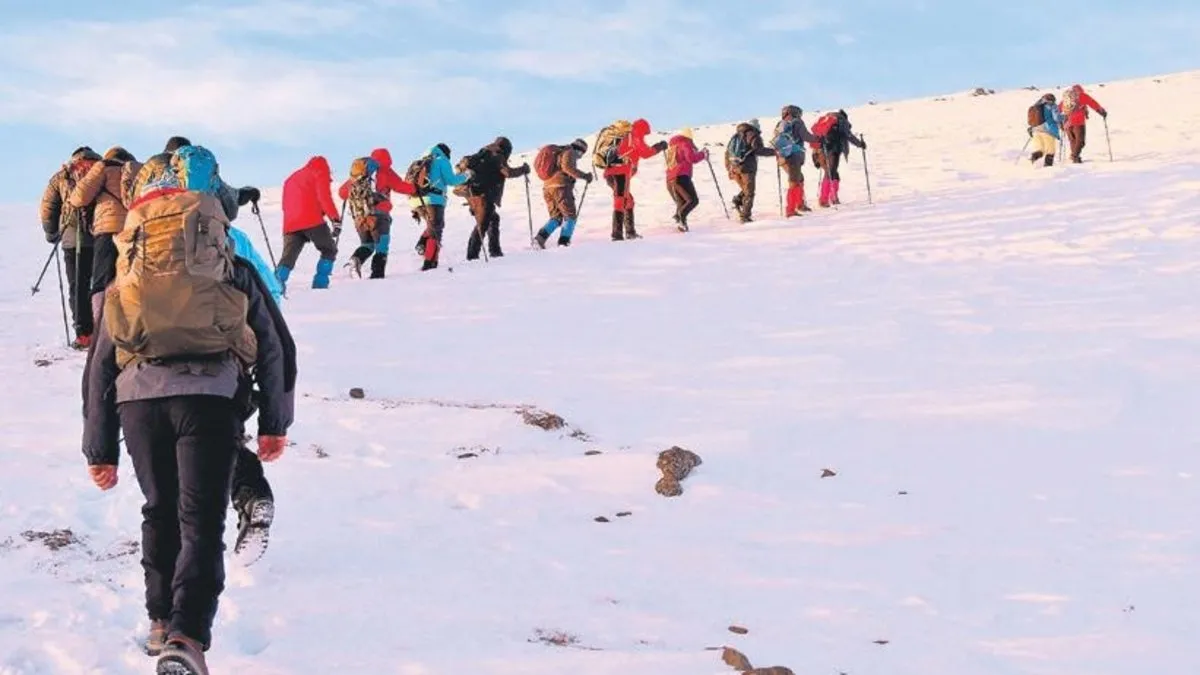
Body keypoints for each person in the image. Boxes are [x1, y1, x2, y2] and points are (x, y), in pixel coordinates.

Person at [82, 145, 296, 674]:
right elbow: (274, 345)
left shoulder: (127, 273)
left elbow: (100, 363)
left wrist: (99, 447)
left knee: (159, 510)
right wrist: (274, 421)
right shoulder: (229, 263)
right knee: (200, 519)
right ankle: (187, 637)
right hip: (210, 398)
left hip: (138, 403)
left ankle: (159, 621)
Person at [40, 146, 101, 348]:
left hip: (72, 236)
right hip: (102, 234)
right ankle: (105, 330)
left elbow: (49, 205)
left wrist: (51, 232)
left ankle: (84, 333)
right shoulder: (101, 171)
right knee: (103, 284)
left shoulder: (62, 176)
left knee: (78, 285)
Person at [68, 146, 138, 322]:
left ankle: (102, 329)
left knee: (102, 281)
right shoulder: (140, 171)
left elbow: (79, 197)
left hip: (107, 230)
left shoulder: (104, 166)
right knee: (131, 281)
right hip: (134, 231)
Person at [336, 149, 418, 279]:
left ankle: (356, 258)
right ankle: (377, 275)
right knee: (382, 245)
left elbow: (342, 193)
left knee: (367, 244)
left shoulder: (359, 173)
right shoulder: (385, 170)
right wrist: (415, 187)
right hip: (379, 216)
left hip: (360, 217)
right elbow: (402, 187)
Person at [459, 137, 530, 260]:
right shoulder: (497, 155)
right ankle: (473, 255)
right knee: (483, 224)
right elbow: (508, 172)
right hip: (484, 195)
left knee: (493, 219)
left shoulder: (484, 153)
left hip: (472, 193)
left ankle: (495, 250)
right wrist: (523, 169)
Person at [277, 156, 342, 289]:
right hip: (312, 220)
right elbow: (324, 197)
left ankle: (275, 285)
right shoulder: (319, 172)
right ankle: (320, 284)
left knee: (288, 256)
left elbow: (285, 204)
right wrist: (335, 219)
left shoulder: (291, 178)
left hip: (290, 223)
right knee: (329, 250)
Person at [406, 143, 469, 271]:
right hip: (433, 200)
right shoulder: (442, 160)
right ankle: (430, 262)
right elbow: (451, 180)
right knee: (436, 230)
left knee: (432, 226)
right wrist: (467, 175)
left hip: (415, 200)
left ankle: (422, 243)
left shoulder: (421, 161)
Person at [602, 118, 667, 241]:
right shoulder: (635, 136)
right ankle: (617, 234)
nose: (645, 135)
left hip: (611, 173)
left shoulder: (625, 137)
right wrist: (660, 146)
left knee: (628, 200)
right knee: (621, 200)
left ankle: (630, 232)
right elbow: (646, 152)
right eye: (645, 132)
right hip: (621, 171)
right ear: (643, 129)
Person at [533, 139, 592, 248]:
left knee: (556, 217)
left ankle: (539, 239)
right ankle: (563, 243)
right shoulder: (570, 152)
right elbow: (567, 168)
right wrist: (585, 176)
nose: (580, 156)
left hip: (547, 188)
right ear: (579, 149)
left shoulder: (560, 151)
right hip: (561, 187)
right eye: (582, 153)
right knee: (570, 216)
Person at [725, 119, 776, 223]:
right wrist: (775, 152)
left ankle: (737, 201)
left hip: (735, 167)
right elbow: (759, 150)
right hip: (747, 168)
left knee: (746, 189)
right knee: (750, 192)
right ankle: (745, 216)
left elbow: (727, 152)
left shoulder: (737, 134)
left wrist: (729, 168)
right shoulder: (753, 135)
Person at [811, 109, 865, 207]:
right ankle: (825, 199)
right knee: (830, 173)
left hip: (820, 151)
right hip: (833, 150)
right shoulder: (841, 120)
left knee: (833, 173)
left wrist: (815, 156)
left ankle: (832, 197)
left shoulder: (824, 120)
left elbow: (816, 137)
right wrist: (860, 144)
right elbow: (849, 135)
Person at [773, 105, 820, 216]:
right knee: (794, 181)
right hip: (793, 155)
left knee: (799, 178)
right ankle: (791, 209)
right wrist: (818, 138)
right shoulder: (797, 122)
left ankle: (799, 204)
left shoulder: (780, 124)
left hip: (782, 157)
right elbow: (805, 136)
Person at [664, 128, 708, 232]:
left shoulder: (673, 146)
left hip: (670, 179)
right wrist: (703, 154)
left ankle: (681, 223)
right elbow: (691, 158)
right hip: (681, 176)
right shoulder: (685, 143)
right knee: (693, 200)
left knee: (682, 202)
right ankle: (680, 216)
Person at [1060, 84, 1108, 163]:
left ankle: (1074, 156)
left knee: (1073, 141)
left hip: (1067, 123)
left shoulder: (1066, 98)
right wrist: (1101, 111)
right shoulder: (1082, 95)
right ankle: (1075, 156)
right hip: (1078, 122)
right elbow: (1093, 103)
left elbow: (1059, 108)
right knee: (1080, 141)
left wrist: (1060, 122)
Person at [1027, 93, 1063, 167]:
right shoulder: (1052, 106)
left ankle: (1033, 158)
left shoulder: (1037, 105)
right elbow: (1056, 118)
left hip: (1036, 130)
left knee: (1040, 150)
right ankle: (1048, 168)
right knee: (1050, 151)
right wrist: (1064, 117)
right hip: (1048, 130)